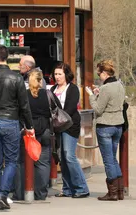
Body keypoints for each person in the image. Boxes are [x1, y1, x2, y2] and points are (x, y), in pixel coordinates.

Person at [0, 45, 34, 211]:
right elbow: (24, 105)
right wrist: (29, 126)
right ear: (7, 58)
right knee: (10, 160)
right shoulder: (16, 78)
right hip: (10, 121)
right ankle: (3, 195)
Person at [88, 60, 126, 201]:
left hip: (105, 126)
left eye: (99, 74)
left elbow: (98, 109)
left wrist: (92, 96)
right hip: (118, 126)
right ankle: (120, 191)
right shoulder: (120, 85)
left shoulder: (105, 88)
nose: (99, 77)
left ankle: (112, 193)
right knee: (113, 159)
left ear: (104, 73)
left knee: (108, 160)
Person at [13, 70, 53, 201]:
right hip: (45, 130)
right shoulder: (47, 94)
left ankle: (19, 192)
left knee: (21, 162)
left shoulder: (23, 95)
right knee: (43, 163)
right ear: (41, 81)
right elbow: (57, 109)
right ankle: (40, 193)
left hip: (27, 132)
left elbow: (19, 112)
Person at [51, 62, 90, 198]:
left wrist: (58, 118)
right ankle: (67, 188)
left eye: (60, 74)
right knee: (62, 157)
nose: (57, 77)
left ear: (66, 74)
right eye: (55, 74)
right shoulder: (52, 90)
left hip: (70, 125)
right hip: (57, 127)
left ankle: (81, 188)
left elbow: (71, 108)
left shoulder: (72, 89)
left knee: (69, 155)